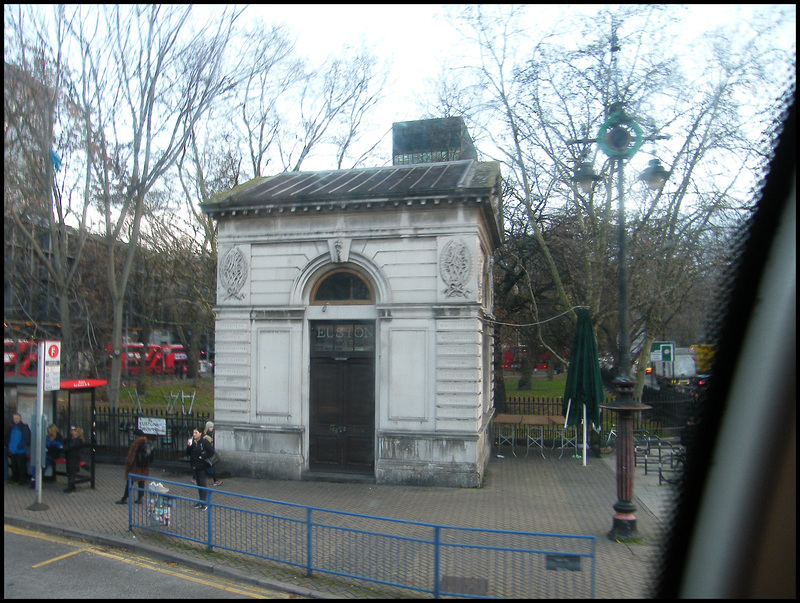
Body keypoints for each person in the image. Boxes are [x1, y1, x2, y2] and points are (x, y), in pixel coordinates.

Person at [116, 429, 149, 504]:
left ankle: (124, 498)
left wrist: (128, 465)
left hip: (135, 466)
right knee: (141, 482)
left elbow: (131, 456)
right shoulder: (146, 442)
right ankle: (140, 497)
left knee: (129, 481)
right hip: (143, 466)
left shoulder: (136, 443)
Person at [186, 428, 212, 510]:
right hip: (195, 466)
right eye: (193, 432)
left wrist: (203, 456)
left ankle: (204, 503)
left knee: (203, 484)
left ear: (200, 433)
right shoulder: (193, 442)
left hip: (202, 466)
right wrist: (189, 446)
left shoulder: (204, 442)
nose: (194, 434)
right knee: (199, 484)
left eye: (196, 433)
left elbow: (211, 451)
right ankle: (200, 501)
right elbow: (189, 453)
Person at [5, 413, 31, 485]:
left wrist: (20, 446)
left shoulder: (24, 427)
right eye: (14, 418)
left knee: (21, 466)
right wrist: (9, 446)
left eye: (17, 418)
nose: (15, 420)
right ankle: (15, 479)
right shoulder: (12, 427)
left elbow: (26, 438)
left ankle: (23, 480)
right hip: (13, 450)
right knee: (14, 466)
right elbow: (8, 437)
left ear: (20, 418)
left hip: (20, 450)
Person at [62, 426, 84, 493]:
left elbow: (70, 446)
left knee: (72, 472)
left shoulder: (77, 440)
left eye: (74, 431)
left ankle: (71, 486)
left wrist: (64, 448)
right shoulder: (71, 439)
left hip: (74, 458)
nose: (72, 432)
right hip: (70, 457)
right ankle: (71, 485)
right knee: (70, 472)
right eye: (72, 431)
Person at [202, 421, 222, 487]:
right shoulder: (206, 436)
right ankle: (215, 480)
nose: (212, 428)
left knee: (208, 466)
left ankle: (215, 480)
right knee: (210, 466)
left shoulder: (210, 434)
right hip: (208, 454)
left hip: (208, 454)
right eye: (210, 427)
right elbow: (208, 446)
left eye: (212, 427)